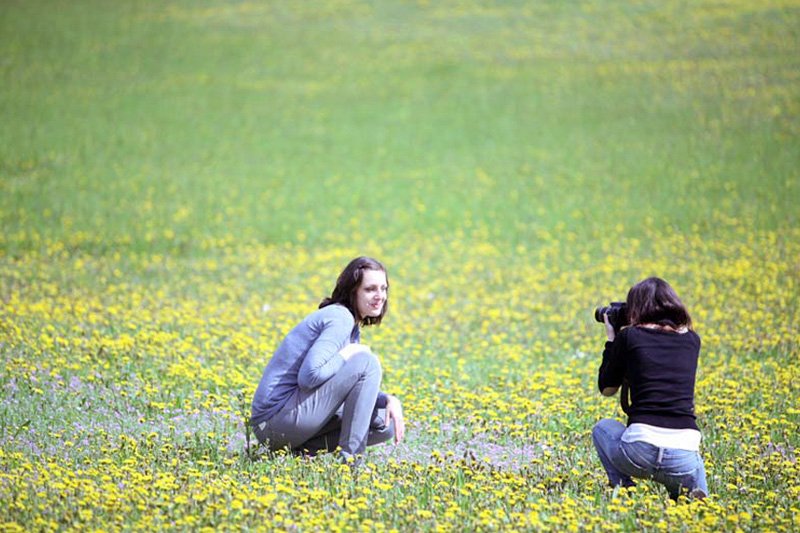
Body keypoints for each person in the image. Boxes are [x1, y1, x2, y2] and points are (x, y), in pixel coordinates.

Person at [250, 256, 405, 464]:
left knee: (386, 424)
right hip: (273, 421)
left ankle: (297, 456)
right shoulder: (340, 317)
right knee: (368, 362)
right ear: (353, 292)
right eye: (370, 289)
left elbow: (342, 384)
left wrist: (387, 399)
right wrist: (350, 353)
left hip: (286, 423)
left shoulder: (350, 327)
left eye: (383, 288)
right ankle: (351, 464)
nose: (380, 296)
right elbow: (309, 376)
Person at [592, 277, 708, 500]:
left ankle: (623, 490)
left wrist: (611, 340)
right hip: (683, 454)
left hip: (638, 451)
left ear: (637, 308)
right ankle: (693, 497)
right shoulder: (693, 340)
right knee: (692, 478)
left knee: (602, 429)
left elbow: (607, 389)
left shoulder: (629, 337)